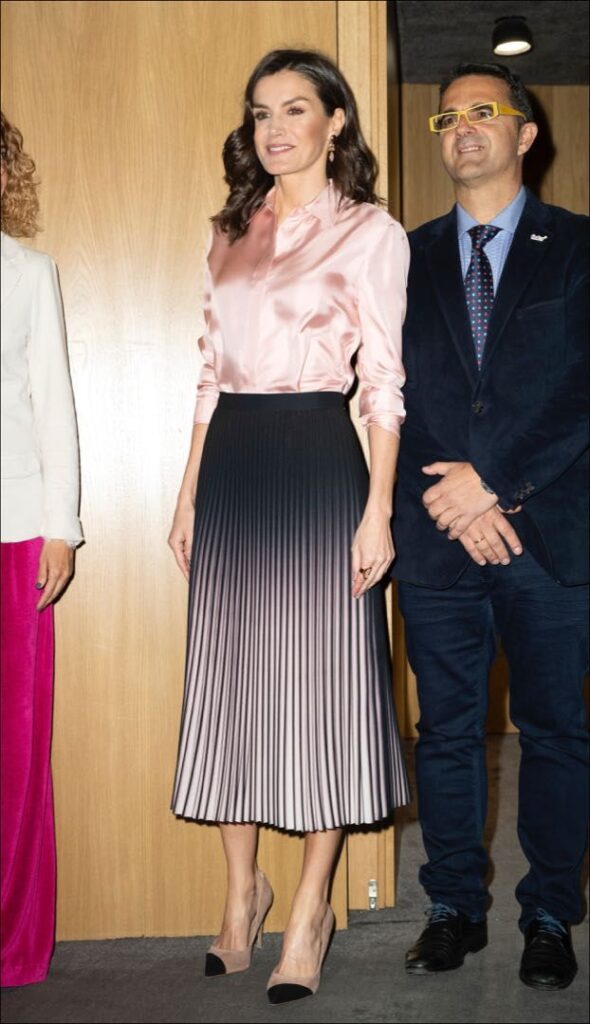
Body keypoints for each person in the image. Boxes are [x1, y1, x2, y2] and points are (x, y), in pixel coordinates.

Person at [168, 48, 410, 1003]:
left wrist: (378, 509)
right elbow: (207, 369)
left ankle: (311, 909)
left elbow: (383, 381)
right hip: (233, 460)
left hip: (317, 459)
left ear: (335, 121)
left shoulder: (370, 232)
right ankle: (243, 894)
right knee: (231, 681)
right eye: (261, 112)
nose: (275, 128)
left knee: (321, 688)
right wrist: (188, 493)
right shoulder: (229, 229)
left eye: (296, 109)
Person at [392, 62, 588, 991]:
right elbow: (387, 390)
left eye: (484, 111)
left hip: (549, 531)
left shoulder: (578, 247)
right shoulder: (402, 256)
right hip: (436, 532)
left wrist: (495, 483)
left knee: (554, 730)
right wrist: (454, 497)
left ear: (525, 134)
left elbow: (583, 389)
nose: (463, 127)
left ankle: (549, 913)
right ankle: (453, 908)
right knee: (445, 731)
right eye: (447, 117)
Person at [0, 112, 83, 986]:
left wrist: (61, 526)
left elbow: (54, 403)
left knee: (14, 747)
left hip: (14, 529)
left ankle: (11, 940)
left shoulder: (28, 273)